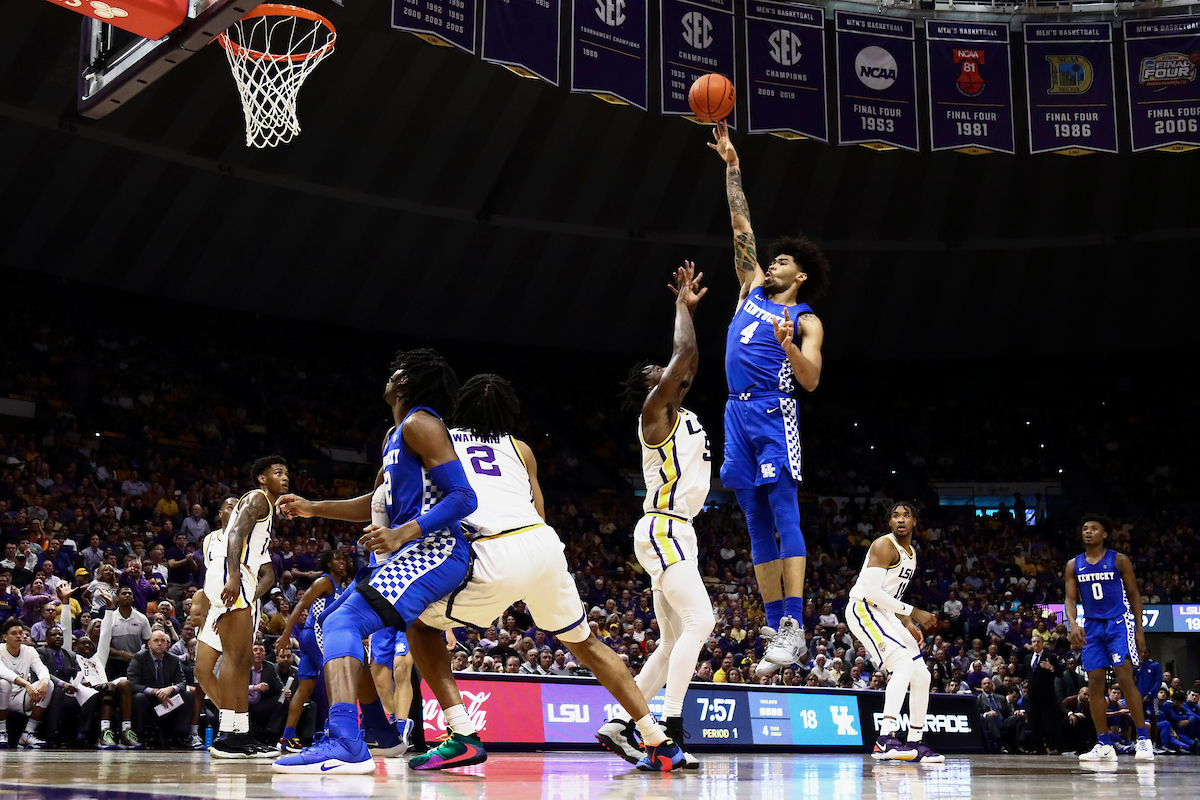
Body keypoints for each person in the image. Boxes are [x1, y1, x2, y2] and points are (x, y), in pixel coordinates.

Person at [405, 370, 687, 772]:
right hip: (542, 544)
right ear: (507, 414)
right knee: (587, 644)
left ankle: (462, 734)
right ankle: (659, 742)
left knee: (420, 626)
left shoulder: (438, 438)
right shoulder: (520, 449)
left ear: (459, 407)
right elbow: (538, 508)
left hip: (492, 547)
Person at [271, 349, 478, 773]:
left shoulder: (422, 423)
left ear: (406, 382)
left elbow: (463, 497)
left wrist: (403, 532)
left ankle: (345, 741)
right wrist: (314, 507)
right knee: (335, 621)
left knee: (341, 623)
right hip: (409, 552)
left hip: (437, 549)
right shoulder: (394, 435)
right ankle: (380, 733)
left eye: (397, 371)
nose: (390, 374)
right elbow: (377, 502)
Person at [708, 119, 830, 674]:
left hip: (774, 410)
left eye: (784, 261)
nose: (774, 262)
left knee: (783, 513)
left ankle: (795, 625)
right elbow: (741, 223)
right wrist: (733, 166)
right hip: (734, 412)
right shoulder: (750, 287)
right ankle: (777, 626)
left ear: (800, 276)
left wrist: (788, 346)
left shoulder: (805, 318)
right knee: (754, 521)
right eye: (773, 259)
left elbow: (811, 379)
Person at [593, 263, 710, 768]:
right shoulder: (654, 414)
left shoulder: (681, 410)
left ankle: (621, 723)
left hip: (678, 531)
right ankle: (670, 728)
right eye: (657, 374)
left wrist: (689, 318)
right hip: (664, 526)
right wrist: (681, 306)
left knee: (670, 643)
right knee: (702, 620)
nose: (667, 373)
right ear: (651, 389)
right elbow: (683, 356)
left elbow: (689, 359)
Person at [203, 458, 289, 759]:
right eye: (278, 473)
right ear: (262, 478)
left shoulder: (268, 507)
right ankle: (229, 735)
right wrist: (234, 576)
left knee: (240, 660)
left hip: (241, 576)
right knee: (234, 658)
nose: (285, 477)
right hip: (234, 573)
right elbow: (235, 534)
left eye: (286, 473)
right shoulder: (257, 498)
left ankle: (239, 733)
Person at [844, 502, 941, 762]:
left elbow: (891, 596)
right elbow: (872, 593)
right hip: (864, 608)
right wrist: (915, 611)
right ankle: (884, 739)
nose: (900, 520)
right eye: (895, 516)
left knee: (922, 675)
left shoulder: (911, 553)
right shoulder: (884, 545)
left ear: (914, 522)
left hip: (885, 613)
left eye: (906, 516)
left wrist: (907, 621)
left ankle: (915, 741)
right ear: (889, 522)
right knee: (902, 665)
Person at [1065, 513, 1153, 762]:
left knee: (1125, 678)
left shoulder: (1119, 560)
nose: (1088, 531)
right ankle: (1104, 744)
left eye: (1094, 528)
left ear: (1104, 534)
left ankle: (1143, 739)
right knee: (1094, 682)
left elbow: (1134, 594)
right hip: (1092, 626)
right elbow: (1070, 598)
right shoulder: (1073, 564)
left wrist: (1139, 629)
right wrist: (1073, 624)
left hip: (1118, 623)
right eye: (1085, 528)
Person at [275, 547, 347, 752]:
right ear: (328, 563)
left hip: (312, 638)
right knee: (336, 682)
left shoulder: (339, 587)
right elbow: (301, 605)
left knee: (304, 689)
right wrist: (286, 635)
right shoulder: (325, 582)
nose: (341, 562)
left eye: (343, 559)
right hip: (316, 635)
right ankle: (335, 734)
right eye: (336, 559)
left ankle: (287, 738)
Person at [127, 629, 193, 748]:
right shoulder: (139, 658)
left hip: (167, 700)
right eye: (156, 640)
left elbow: (182, 683)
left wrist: (170, 689)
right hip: (148, 700)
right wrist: (154, 691)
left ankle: (181, 736)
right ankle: (140, 735)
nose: (159, 643)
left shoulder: (173, 659)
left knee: (188, 696)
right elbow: (132, 683)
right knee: (139, 697)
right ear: (149, 644)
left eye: (163, 641)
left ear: (167, 644)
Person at [0, 618, 52, 748]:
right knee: (4, 683)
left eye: (20, 633)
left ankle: (27, 733)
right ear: (5, 637)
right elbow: (3, 671)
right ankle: (1, 732)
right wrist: (26, 684)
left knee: (49, 685)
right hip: (2, 696)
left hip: (20, 698)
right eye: (14, 633)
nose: (19, 636)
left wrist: (44, 681)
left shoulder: (29, 651)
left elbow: (41, 668)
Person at [1023, 634, 1064, 754]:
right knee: (1035, 722)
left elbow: (1060, 673)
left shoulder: (1050, 657)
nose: (1036, 643)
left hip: (1047, 695)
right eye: (1034, 641)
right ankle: (1037, 748)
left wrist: (1051, 668)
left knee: (1051, 722)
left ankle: (1055, 747)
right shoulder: (1027, 658)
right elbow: (1025, 673)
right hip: (1033, 695)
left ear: (1043, 644)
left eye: (1038, 641)